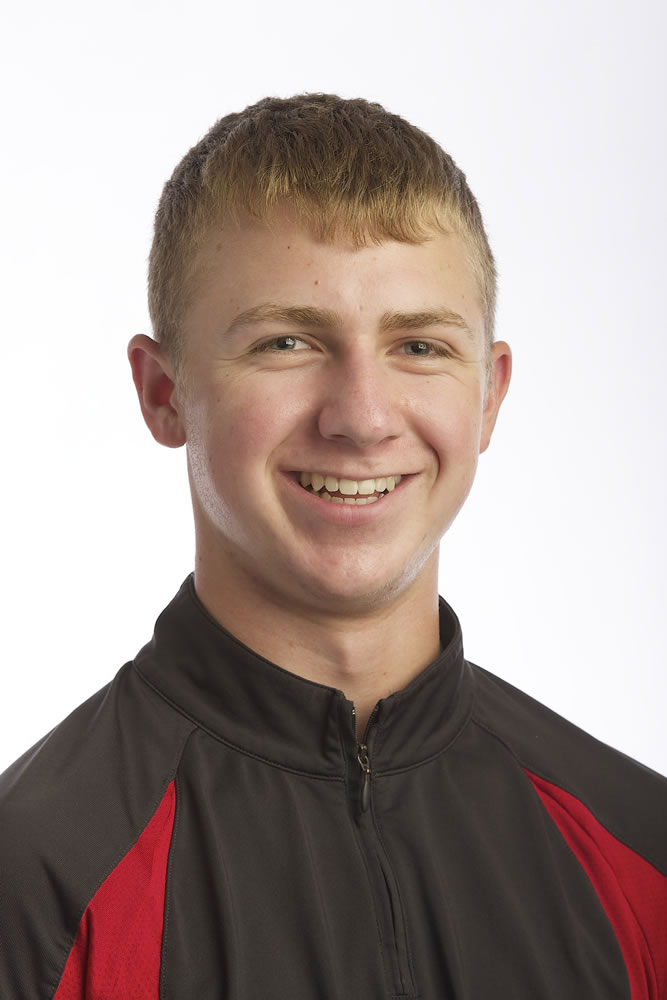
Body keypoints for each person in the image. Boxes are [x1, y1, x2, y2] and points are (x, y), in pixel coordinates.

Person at [1, 93, 666, 1000]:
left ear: (488, 398)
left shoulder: (642, 853)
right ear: (163, 393)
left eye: (420, 347)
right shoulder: (32, 876)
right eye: (285, 341)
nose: (360, 417)